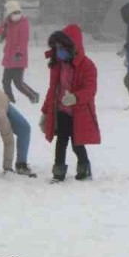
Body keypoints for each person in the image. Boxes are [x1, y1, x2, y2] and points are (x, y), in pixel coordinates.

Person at [40, 25, 100, 182]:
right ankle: (58, 172)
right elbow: (52, 90)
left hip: (78, 113)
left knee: (77, 143)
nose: (59, 51)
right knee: (61, 142)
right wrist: (45, 112)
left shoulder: (87, 66)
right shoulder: (58, 65)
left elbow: (90, 89)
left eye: (62, 48)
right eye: (57, 47)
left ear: (72, 47)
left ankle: (84, 168)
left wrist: (75, 97)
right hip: (62, 111)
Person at [0, 0, 39, 105]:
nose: (16, 15)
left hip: (19, 57)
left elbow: (23, 41)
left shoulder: (23, 24)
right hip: (9, 58)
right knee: (5, 82)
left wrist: (18, 53)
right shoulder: (7, 23)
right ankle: (10, 100)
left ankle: (33, 96)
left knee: (18, 83)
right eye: (14, 13)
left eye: (18, 13)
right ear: (9, 14)